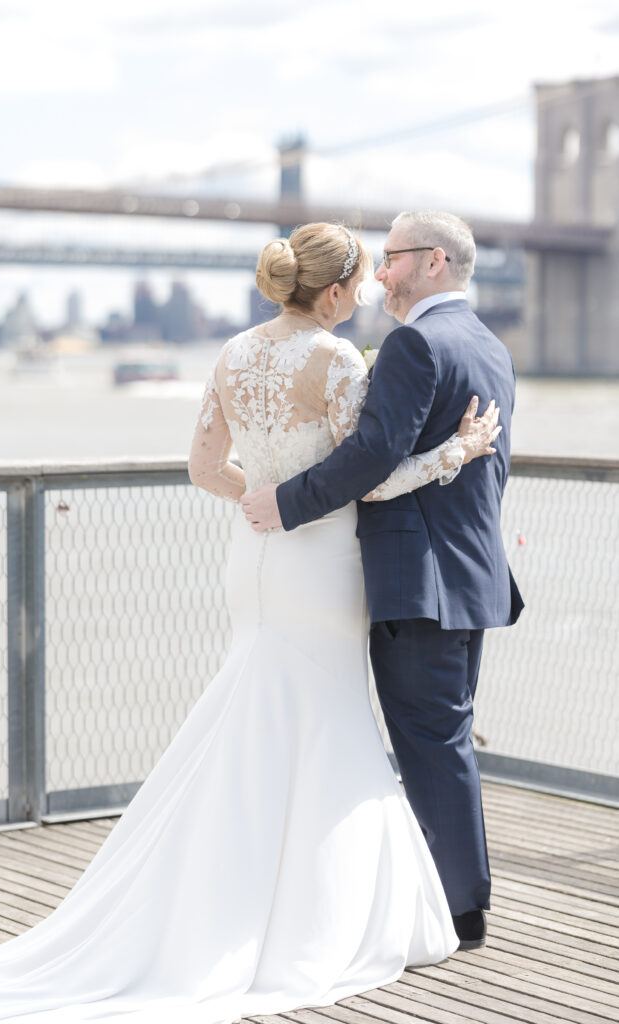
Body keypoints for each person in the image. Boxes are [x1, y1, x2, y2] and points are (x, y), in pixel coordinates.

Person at [0, 222, 500, 1023]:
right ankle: (308, 905)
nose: (369, 294)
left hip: (255, 560)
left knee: (259, 710)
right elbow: (366, 480)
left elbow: (205, 466)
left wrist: (262, 503)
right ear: (334, 291)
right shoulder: (338, 361)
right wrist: (457, 452)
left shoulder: (234, 352)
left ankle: (225, 887)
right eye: (361, 282)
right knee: (324, 722)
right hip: (320, 563)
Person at [241, 211, 525, 953]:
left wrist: (285, 502)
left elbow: (370, 456)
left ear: (432, 262)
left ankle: (458, 911)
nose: (378, 276)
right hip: (467, 575)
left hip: (417, 582)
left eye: (391, 260)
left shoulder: (413, 343)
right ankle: (450, 898)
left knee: (429, 747)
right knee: (445, 740)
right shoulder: (488, 344)